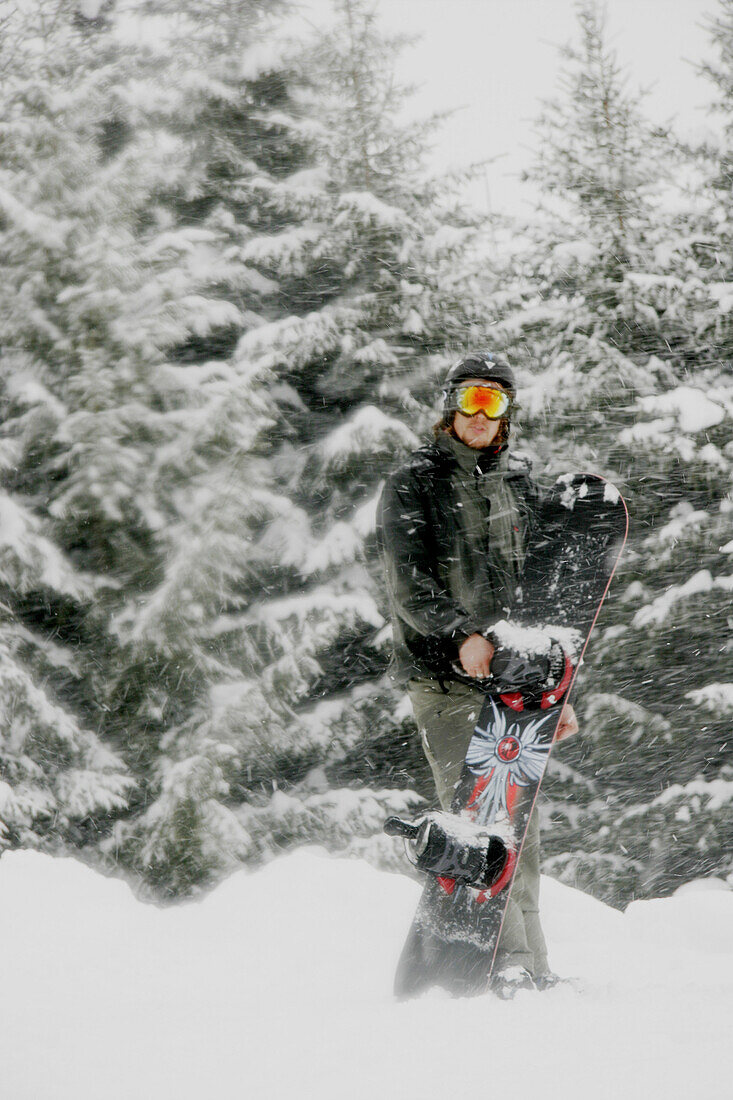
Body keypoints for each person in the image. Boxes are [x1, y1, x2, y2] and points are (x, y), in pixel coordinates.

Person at [376, 350, 578, 995]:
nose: (481, 414)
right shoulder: (414, 482)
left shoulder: (522, 486)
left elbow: (544, 598)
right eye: (471, 400)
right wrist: (461, 634)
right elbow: (408, 583)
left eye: (494, 401)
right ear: (450, 406)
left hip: (519, 684)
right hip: (446, 677)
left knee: (524, 833)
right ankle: (503, 959)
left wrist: (565, 691)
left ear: (508, 412)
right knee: (482, 822)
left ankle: (532, 964)